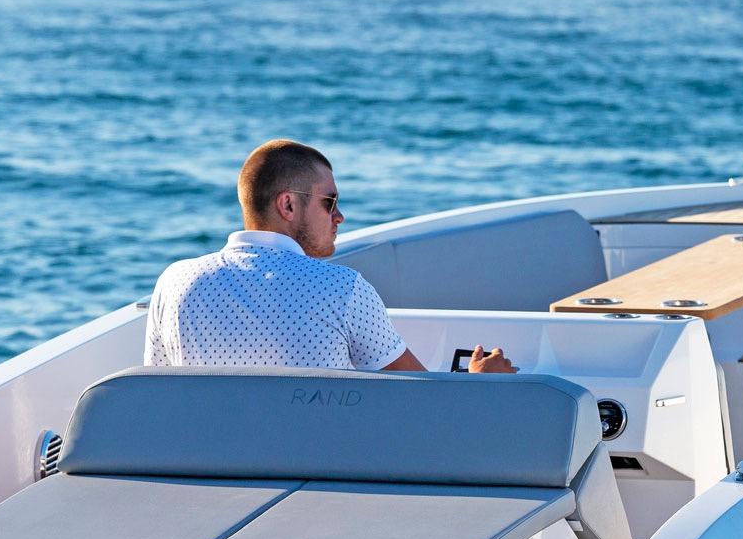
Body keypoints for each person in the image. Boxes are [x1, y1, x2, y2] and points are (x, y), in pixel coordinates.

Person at [143, 139, 515, 373]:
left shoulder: (175, 283)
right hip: (319, 480)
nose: (340, 217)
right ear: (287, 204)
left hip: (210, 479)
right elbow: (422, 401)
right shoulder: (342, 289)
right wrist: (481, 383)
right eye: (330, 202)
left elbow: (157, 394)